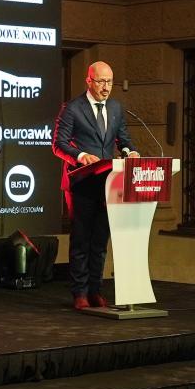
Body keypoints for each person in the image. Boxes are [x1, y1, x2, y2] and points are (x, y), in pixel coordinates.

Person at [53, 61, 139, 310]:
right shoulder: (72, 108)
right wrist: (81, 156)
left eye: (109, 82)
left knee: (100, 240)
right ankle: (79, 292)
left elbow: (123, 140)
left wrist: (130, 152)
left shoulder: (115, 107)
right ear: (89, 81)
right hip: (81, 182)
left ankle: (95, 290)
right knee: (82, 239)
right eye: (101, 81)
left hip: (108, 183)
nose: (106, 87)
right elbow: (58, 144)